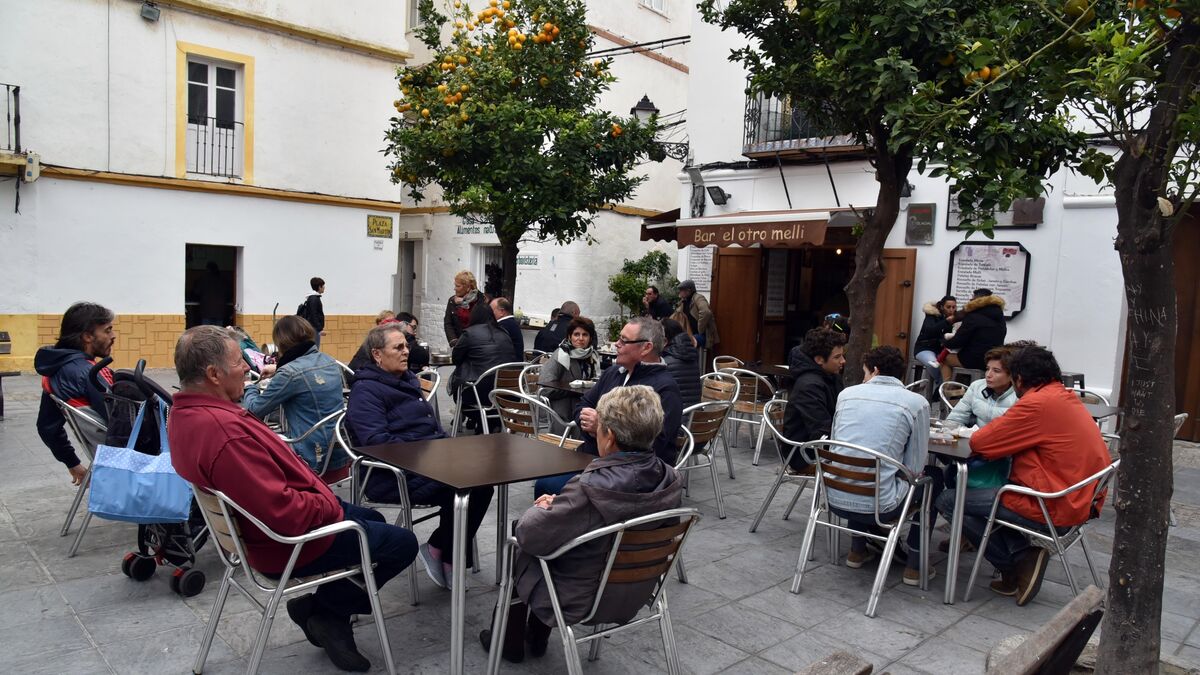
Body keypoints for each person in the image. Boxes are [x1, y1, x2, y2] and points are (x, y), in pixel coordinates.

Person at [168, 326, 417, 672]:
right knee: (402, 543)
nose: (248, 369)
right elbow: (283, 513)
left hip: (270, 530)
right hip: (286, 544)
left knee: (372, 521)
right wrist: (327, 503)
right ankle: (329, 612)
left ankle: (323, 610)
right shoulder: (223, 433)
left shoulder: (184, 414)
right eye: (239, 361)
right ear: (213, 374)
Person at [478, 386, 683, 664]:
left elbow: (530, 535)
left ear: (608, 436)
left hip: (583, 598)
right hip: (641, 591)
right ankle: (533, 637)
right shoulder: (670, 479)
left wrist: (546, 506)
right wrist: (563, 504)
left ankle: (509, 639)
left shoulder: (590, 488)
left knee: (521, 534)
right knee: (561, 536)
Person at [938, 345, 1111, 606]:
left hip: (1051, 502)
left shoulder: (1036, 403)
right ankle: (1022, 556)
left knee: (950, 499)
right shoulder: (1063, 397)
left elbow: (982, 442)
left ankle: (1017, 561)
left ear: (1018, 378)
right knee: (980, 497)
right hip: (1080, 498)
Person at [347, 323, 494, 591]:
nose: (406, 352)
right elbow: (377, 443)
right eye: (398, 347)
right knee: (464, 488)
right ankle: (446, 553)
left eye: (406, 346)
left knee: (484, 481)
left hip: (427, 464)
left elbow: (430, 428)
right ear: (378, 355)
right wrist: (432, 455)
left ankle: (441, 548)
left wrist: (448, 451)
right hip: (392, 475)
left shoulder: (406, 381)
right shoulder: (365, 391)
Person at [534, 317, 682, 496]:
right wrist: (591, 425)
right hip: (593, 460)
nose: (616, 345)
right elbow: (583, 404)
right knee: (544, 483)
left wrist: (602, 427)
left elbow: (654, 444)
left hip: (633, 476)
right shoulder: (614, 373)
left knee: (547, 487)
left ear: (646, 347)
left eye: (623, 341)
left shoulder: (665, 389)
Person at [828, 345, 936, 586]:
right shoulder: (916, 402)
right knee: (933, 480)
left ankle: (857, 549)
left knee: (862, 467)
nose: (864, 378)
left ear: (874, 371)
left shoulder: (846, 395)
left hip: (834, 496)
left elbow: (838, 445)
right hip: (881, 506)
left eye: (865, 372)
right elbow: (915, 468)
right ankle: (915, 566)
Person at [242, 316, 348, 480]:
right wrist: (278, 368)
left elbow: (254, 410)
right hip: (340, 454)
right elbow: (306, 371)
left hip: (310, 460)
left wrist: (248, 386)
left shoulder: (289, 373)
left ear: (281, 343)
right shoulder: (329, 360)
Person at [35, 302, 117, 486]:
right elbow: (122, 423)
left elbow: (47, 427)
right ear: (87, 336)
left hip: (100, 451)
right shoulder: (90, 374)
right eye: (107, 330)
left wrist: (72, 462)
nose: (113, 336)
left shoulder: (57, 370)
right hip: (124, 455)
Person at [783, 328, 847, 473]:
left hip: (823, 443)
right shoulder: (809, 386)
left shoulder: (831, 376)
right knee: (868, 468)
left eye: (843, 356)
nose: (843, 361)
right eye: (837, 357)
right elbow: (820, 429)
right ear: (819, 360)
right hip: (804, 453)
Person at [451, 301, 516, 431]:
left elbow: (456, 358)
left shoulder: (469, 333)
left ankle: (483, 423)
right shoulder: (504, 333)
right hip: (507, 392)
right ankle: (489, 424)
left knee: (461, 387)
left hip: (480, 392)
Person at [537, 316, 602, 423]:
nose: (580, 338)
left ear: (590, 338)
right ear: (569, 336)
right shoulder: (561, 354)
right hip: (558, 409)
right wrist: (572, 390)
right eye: (576, 334)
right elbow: (545, 388)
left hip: (584, 406)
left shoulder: (593, 356)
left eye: (585, 335)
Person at [941, 288, 1006, 381]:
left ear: (977, 300)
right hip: (992, 359)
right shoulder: (999, 316)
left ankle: (947, 390)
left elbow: (959, 340)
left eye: (972, 298)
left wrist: (945, 343)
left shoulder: (973, 316)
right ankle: (960, 389)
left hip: (974, 359)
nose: (970, 300)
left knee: (945, 359)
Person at [913, 295, 957, 388]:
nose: (951, 310)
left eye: (954, 307)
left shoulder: (955, 318)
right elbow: (931, 330)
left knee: (952, 364)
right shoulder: (931, 316)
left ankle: (943, 389)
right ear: (941, 307)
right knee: (933, 364)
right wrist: (946, 321)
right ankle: (941, 387)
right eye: (948, 307)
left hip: (941, 350)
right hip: (924, 348)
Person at [661, 318, 701, 407]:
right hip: (695, 415)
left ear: (664, 339)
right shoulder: (692, 355)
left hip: (676, 417)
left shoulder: (665, 361)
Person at [443, 270, 484, 347]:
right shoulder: (452, 301)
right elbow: (448, 323)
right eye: (455, 285)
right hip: (459, 344)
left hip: (477, 344)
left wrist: (463, 302)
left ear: (468, 287)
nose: (454, 288)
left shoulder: (482, 300)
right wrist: (454, 341)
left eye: (458, 286)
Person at [677, 280, 719, 351]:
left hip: (703, 335)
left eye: (681, 290)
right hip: (690, 333)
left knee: (685, 343)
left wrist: (700, 329)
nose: (679, 292)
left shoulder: (698, 298)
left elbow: (706, 312)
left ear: (688, 290)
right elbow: (676, 314)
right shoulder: (683, 301)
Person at [491, 296, 525, 362]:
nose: (489, 313)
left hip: (506, 368)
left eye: (491, 310)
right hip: (514, 366)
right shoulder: (511, 323)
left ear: (501, 311)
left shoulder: (503, 325)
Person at [298, 277, 326, 349]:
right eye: (323, 286)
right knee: (315, 348)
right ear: (319, 287)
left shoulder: (313, 298)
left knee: (313, 348)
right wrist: (319, 329)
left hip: (313, 327)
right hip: (314, 328)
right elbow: (313, 315)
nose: (324, 288)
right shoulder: (314, 298)